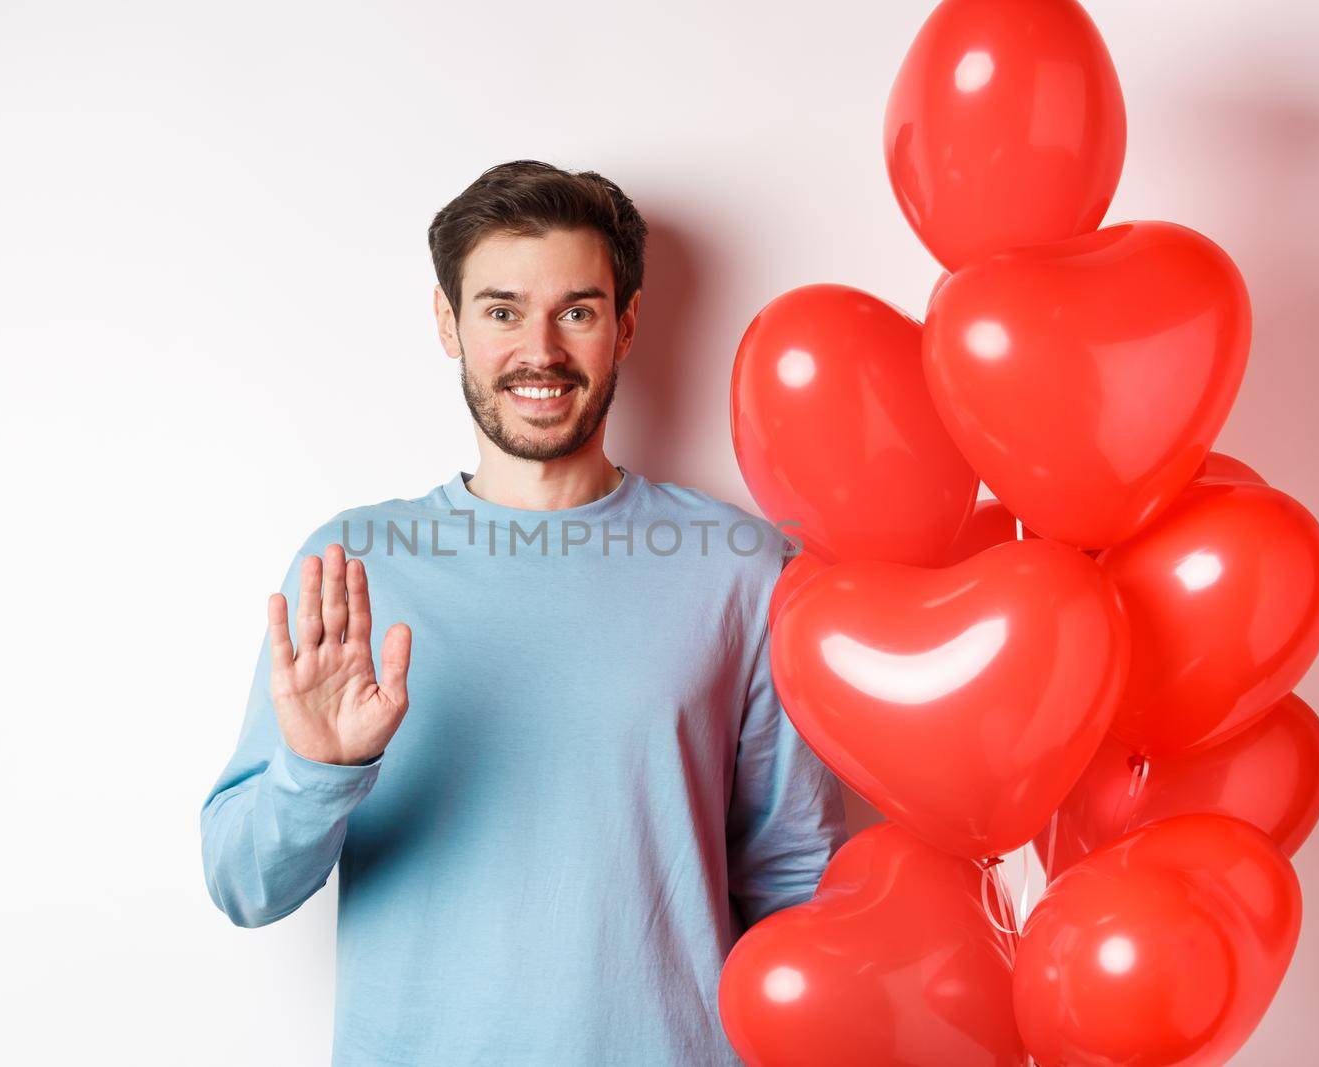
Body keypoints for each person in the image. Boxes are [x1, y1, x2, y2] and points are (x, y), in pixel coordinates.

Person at [199, 159, 848, 1066]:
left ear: (623, 328)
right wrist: (316, 769)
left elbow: (796, 884)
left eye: (576, 311)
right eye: (502, 310)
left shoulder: (740, 568)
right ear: (448, 323)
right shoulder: (353, 564)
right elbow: (242, 885)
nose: (539, 351)